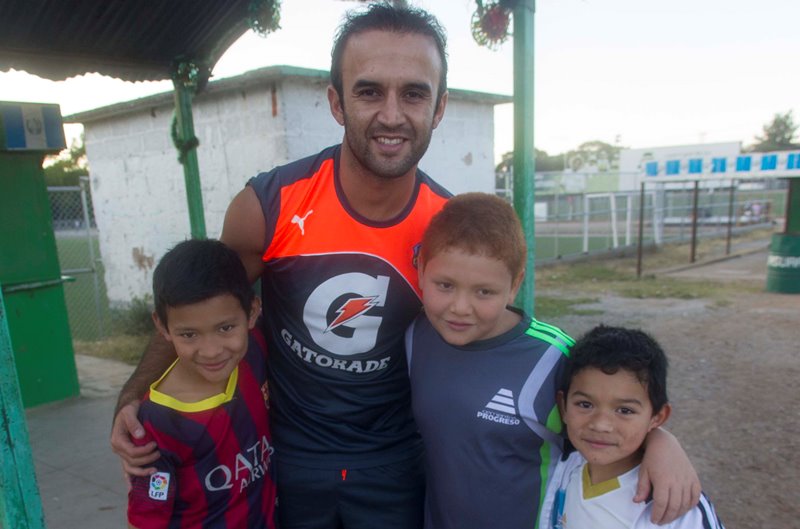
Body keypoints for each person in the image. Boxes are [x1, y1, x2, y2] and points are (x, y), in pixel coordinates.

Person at [112, 4, 699, 528]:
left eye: (414, 93)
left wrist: (655, 438)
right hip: (291, 458)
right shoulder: (270, 204)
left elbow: (535, 364)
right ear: (337, 101)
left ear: (439, 107)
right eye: (369, 92)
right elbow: (203, 309)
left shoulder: (452, 231)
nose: (392, 114)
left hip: (399, 464)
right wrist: (133, 399)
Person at [406, 192, 575, 529]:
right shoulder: (415, 338)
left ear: (515, 285)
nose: (460, 307)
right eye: (445, 285)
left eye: (484, 292)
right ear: (421, 270)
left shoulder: (554, 358)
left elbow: (616, 432)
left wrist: (661, 446)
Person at [127, 239, 276, 529]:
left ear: (253, 312)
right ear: (161, 327)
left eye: (225, 328)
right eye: (189, 334)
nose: (211, 351)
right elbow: (146, 520)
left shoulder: (254, 350)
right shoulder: (158, 423)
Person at [539, 325, 725, 529]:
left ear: (657, 417)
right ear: (563, 406)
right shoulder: (565, 464)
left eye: (625, 411)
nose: (601, 425)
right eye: (585, 405)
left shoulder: (675, 505)